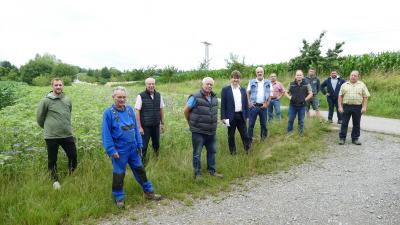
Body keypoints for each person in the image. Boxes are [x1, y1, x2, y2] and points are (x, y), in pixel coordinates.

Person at [102, 86, 161, 209]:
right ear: (113, 97)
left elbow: (135, 129)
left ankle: (148, 192)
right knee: (119, 173)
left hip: (133, 148)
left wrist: (140, 144)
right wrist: (111, 150)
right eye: (119, 97)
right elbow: (106, 133)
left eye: (124, 97)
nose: (122, 99)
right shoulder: (108, 113)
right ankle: (119, 197)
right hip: (119, 150)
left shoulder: (129, 110)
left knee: (140, 170)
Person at [36, 78, 77, 190]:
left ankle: (71, 176)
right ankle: (55, 181)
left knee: (73, 156)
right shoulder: (46, 101)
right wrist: (48, 128)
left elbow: (69, 113)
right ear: (52, 86)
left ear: (63, 86)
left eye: (60, 85)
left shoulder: (67, 100)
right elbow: (39, 117)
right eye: (56, 85)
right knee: (52, 159)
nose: (58, 87)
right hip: (51, 136)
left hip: (67, 134)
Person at [183, 77, 223, 179]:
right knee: (197, 153)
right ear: (203, 85)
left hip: (211, 131)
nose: (209, 86)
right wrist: (190, 123)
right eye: (207, 84)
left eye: (211, 84)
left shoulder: (214, 97)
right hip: (198, 131)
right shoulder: (195, 97)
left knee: (212, 152)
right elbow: (186, 111)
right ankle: (197, 174)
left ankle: (212, 171)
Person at [134, 77, 165, 163]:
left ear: (155, 84)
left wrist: (162, 124)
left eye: (153, 84)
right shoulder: (141, 96)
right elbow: (137, 111)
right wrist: (139, 127)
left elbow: (161, 109)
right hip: (145, 126)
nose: (151, 85)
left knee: (156, 145)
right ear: (146, 85)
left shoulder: (159, 95)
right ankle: (142, 164)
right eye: (149, 84)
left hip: (156, 125)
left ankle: (156, 161)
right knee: (143, 146)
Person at [220, 70, 250, 155]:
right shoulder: (225, 90)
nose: (235, 80)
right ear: (231, 78)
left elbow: (245, 104)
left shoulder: (243, 90)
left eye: (237, 78)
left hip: (241, 115)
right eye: (234, 78)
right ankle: (233, 153)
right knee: (231, 136)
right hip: (230, 117)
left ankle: (247, 151)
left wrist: (247, 116)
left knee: (245, 135)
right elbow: (223, 105)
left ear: (240, 79)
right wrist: (223, 117)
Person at [338, 71, 370, 145]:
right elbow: (340, 96)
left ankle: (355, 139)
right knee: (344, 123)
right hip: (346, 106)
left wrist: (364, 107)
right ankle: (342, 138)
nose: (353, 77)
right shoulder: (344, 85)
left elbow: (365, 96)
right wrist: (340, 106)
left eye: (355, 75)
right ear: (349, 76)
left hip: (357, 107)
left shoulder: (362, 85)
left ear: (358, 77)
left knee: (356, 123)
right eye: (352, 75)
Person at [247, 67, 271, 143]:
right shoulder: (251, 82)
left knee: (263, 124)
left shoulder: (268, 82)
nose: (259, 73)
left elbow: (271, 94)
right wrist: (249, 102)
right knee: (251, 125)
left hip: (263, 107)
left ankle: (263, 140)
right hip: (254, 106)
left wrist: (267, 104)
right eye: (258, 72)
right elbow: (247, 92)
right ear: (256, 73)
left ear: (263, 73)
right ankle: (249, 141)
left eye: (261, 72)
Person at [285, 70, 313, 135]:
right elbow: (286, 92)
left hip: (302, 106)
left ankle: (300, 134)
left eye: (300, 75)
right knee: (291, 119)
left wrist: (305, 99)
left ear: (302, 76)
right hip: (293, 105)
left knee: (301, 121)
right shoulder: (291, 84)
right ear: (295, 76)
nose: (299, 76)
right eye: (297, 75)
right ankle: (289, 133)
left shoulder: (306, 84)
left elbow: (311, 93)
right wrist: (289, 97)